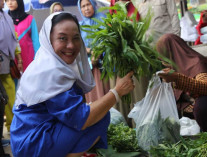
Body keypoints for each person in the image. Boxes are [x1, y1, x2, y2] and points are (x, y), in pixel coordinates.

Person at [10, 12, 134, 157]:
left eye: (76, 38)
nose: (71, 45)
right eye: (62, 38)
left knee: (97, 112)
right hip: (32, 143)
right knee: (100, 117)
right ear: (48, 40)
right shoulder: (50, 71)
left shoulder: (47, 62)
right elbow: (82, 119)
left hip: (26, 137)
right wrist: (117, 92)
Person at [157, 34, 207, 132]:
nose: (162, 61)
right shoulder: (178, 68)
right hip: (203, 115)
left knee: (202, 104)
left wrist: (177, 78)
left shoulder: (197, 63)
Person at [78, 0, 110, 103]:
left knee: (107, 95)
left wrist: (99, 52)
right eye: (83, 6)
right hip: (88, 68)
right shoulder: (79, 26)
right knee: (93, 98)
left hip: (105, 65)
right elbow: (78, 45)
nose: (86, 8)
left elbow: (109, 39)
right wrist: (90, 51)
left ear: (93, 5)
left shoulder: (103, 19)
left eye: (88, 5)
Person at [0, 0, 23, 133]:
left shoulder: (7, 17)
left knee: (10, 94)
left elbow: (14, 38)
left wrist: (19, 58)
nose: (4, 1)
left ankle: (12, 125)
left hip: (6, 61)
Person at [6, 0, 40, 71]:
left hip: (29, 57)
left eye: (12, 0)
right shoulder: (5, 19)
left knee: (30, 80)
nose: (9, 3)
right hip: (12, 59)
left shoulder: (30, 19)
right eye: (7, 0)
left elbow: (36, 40)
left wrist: (37, 58)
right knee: (13, 81)